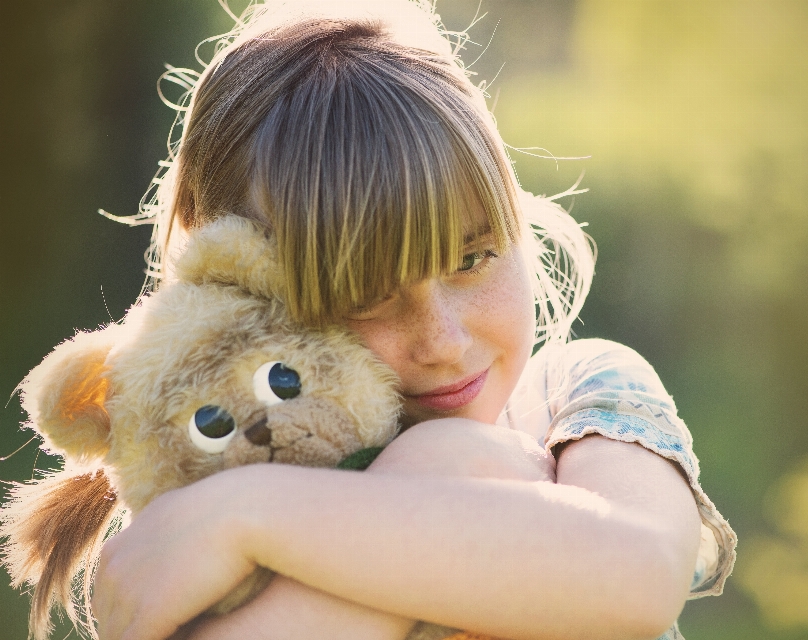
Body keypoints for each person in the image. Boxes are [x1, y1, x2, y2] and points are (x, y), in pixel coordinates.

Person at [91, 1, 736, 639]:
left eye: (472, 258)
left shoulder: (574, 397)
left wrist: (247, 518)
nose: (444, 342)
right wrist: (444, 469)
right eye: (367, 296)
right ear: (237, 293)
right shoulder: (191, 536)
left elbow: (640, 573)